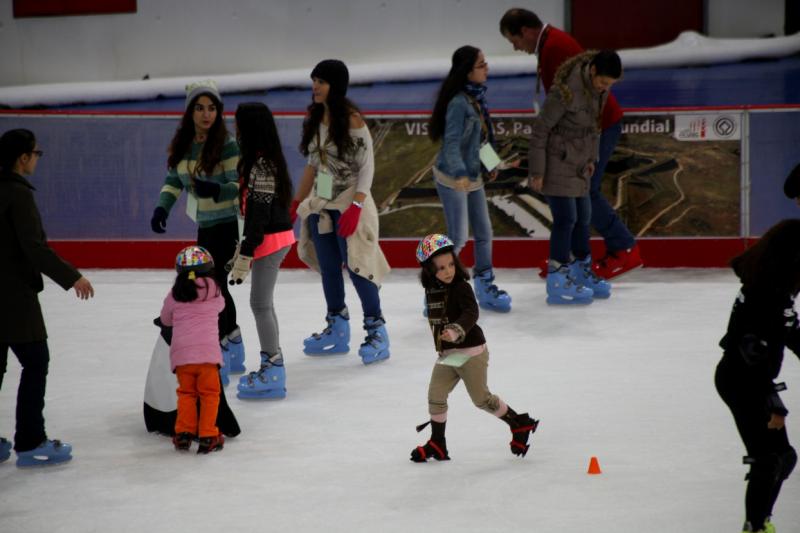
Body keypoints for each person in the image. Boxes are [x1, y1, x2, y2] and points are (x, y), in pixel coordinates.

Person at [500, 8, 643, 279]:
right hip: (590, 128)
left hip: (594, 129)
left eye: (514, 40)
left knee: (584, 190)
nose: (516, 48)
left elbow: (575, 102)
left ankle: (622, 248)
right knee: (577, 193)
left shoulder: (555, 47)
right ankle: (568, 260)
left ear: (526, 31)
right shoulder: (551, 44)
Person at [0, 128, 94, 467]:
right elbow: (34, 247)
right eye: (36, 153)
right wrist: (72, 277)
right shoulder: (18, 194)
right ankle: (30, 440)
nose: (37, 159)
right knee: (36, 360)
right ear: (22, 158)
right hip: (13, 297)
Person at [293, 59, 391, 365]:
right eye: (314, 81)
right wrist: (296, 204)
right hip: (322, 202)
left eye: (321, 81)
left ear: (336, 85)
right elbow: (314, 166)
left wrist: (358, 204)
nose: (315, 87)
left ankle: (377, 331)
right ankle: (337, 327)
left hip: (350, 202)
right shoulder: (316, 119)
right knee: (329, 266)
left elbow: (367, 166)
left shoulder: (352, 120)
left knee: (359, 265)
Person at [410, 234, 538, 462]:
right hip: (449, 355)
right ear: (430, 272)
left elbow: (471, 312)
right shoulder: (432, 291)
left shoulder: (461, 287)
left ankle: (519, 423)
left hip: (470, 353)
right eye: (440, 268)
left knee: (481, 399)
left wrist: (456, 329)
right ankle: (437, 443)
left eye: (450, 264)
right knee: (436, 395)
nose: (448, 271)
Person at [150, 80, 246, 382]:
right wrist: (162, 207)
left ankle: (229, 346)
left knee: (215, 285)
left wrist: (215, 189)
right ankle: (230, 343)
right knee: (210, 285)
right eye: (200, 108)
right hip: (205, 226)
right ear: (190, 111)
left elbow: (239, 186)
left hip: (228, 225)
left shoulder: (228, 144)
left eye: (212, 108)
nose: (207, 114)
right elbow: (174, 180)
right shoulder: (183, 145)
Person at [715, 219, 800, 533]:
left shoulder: (770, 288)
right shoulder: (766, 294)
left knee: (782, 457)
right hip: (743, 380)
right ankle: (755, 525)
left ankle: (760, 522)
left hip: (743, 377)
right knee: (769, 459)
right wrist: (775, 404)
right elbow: (752, 353)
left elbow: (790, 334)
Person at [527, 50, 622, 305]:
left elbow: (593, 129)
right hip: (556, 161)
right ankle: (557, 278)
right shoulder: (565, 91)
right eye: (604, 82)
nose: (605, 88)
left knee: (583, 218)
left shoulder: (599, 92)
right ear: (592, 71)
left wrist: (592, 158)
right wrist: (537, 171)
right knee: (566, 218)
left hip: (580, 164)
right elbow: (540, 130)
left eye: (610, 85)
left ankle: (580, 270)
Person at [428, 46, 512, 313]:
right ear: (467, 71)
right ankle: (437, 288)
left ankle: (485, 284)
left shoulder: (476, 99)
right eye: (481, 65)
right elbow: (451, 144)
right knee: (458, 236)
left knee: (485, 232)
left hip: (472, 176)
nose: (486, 68)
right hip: (453, 177)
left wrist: (491, 163)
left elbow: (481, 138)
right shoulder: (457, 104)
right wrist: (460, 172)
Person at [229, 102, 296, 400]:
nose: (236, 129)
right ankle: (273, 362)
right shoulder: (261, 160)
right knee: (264, 304)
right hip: (270, 238)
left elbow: (258, 214)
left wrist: (246, 252)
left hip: (271, 240)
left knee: (259, 304)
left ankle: (273, 367)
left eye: (239, 124)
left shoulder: (263, 164)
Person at [160, 246, 225, 454]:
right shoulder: (214, 291)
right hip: (207, 357)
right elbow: (221, 307)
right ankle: (208, 435)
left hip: (182, 357)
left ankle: (183, 434)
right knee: (209, 395)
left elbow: (165, 319)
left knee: (186, 394)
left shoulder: (175, 294)